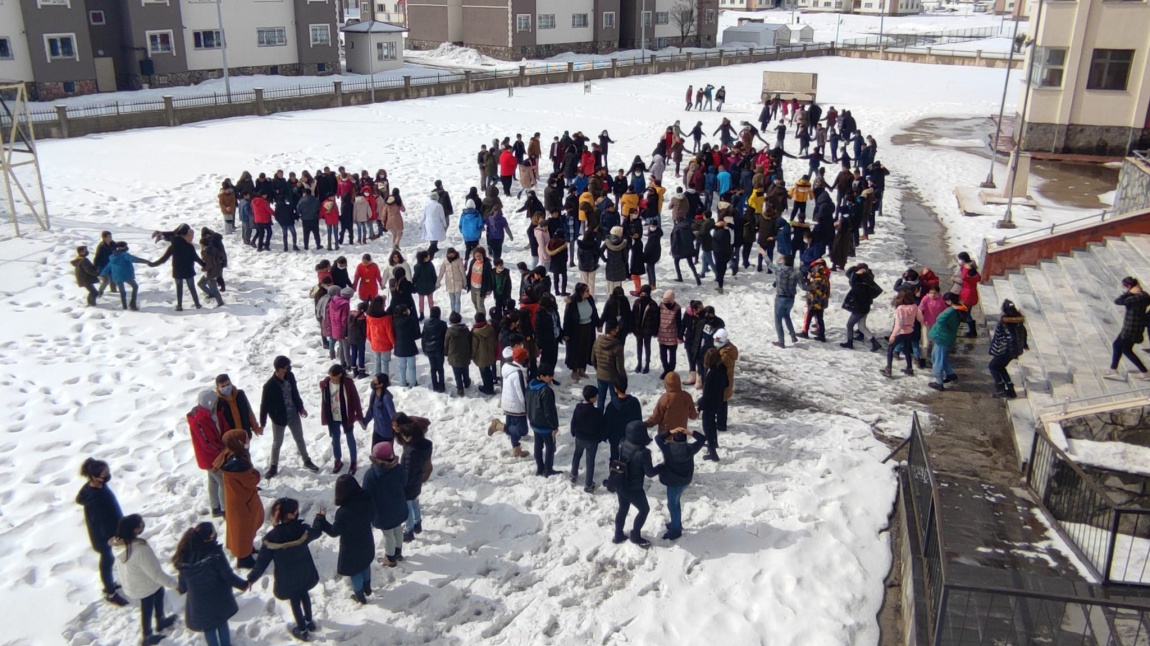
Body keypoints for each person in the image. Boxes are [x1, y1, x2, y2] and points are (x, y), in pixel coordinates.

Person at [247, 498, 323, 642]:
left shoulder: (272, 538)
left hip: (287, 578)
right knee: (304, 594)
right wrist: (319, 519)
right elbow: (316, 532)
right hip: (304, 571)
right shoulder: (302, 530)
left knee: (295, 600)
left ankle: (302, 629)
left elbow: (261, 563)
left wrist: (251, 578)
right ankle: (309, 621)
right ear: (290, 515)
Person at [173, 522, 248, 646]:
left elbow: (183, 583)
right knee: (221, 623)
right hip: (217, 599)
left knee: (208, 628)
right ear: (209, 538)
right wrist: (244, 585)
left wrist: (181, 588)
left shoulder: (185, 555)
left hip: (198, 603)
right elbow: (228, 576)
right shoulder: (215, 555)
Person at [112, 514, 178, 645]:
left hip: (133, 583)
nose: (143, 526)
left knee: (159, 593)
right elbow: (156, 574)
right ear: (135, 530)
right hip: (145, 586)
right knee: (147, 607)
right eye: (141, 524)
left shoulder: (119, 545)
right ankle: (147, 635)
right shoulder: (140, 550)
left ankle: (160, 620)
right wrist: (176, 585)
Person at [314, 475, 376, 604]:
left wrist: (321, 520)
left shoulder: (343, 512)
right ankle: (367, 587)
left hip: (351, 548)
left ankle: (360, 596)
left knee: (355, 572)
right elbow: (372, 515)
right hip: (366, 541)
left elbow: (334, 532)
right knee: (365, 564)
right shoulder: (367, 499)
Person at [76, 458, 129, 606]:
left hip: (112, 531)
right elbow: (99, 522)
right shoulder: (93, 498)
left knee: (110, 559)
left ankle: (110, 584)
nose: (107, 476)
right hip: (104, 537)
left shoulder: (98, 486)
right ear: (94, 476)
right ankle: (110, 592)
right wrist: (110, 537)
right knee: (107, 561)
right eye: (104, 474)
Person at [259, 356, 318, 478]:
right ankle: (273, 466)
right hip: (279, 418)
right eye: (286, 367)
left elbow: (295, 392)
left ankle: (306, 460)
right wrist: (262, 424)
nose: (289, 369)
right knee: (277, 443)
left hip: (293, 414)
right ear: (279, 369)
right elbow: (264, 406)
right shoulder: (269, 386)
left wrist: (300, 407)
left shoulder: (290, 377)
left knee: (299, 438)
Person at [215, 429, 263, 570]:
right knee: (243, 529)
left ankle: (247, 549)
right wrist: (257, 474)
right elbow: (251, 480)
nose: (248, 441)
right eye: (245, 439)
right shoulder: (238, 463)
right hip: (243, 502)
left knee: (244, 529)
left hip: (237, 499)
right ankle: (244, 559)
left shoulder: (228, 454)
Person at [362, 441, 409, 567]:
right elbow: (404, 481)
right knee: (398, 529)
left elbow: (366, 494)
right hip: (398, 507)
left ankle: (390, 557)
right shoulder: (398, 469)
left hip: (382, 512)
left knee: (388, 534)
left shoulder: (371, 475)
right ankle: (398, 552)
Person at [612, 421, 658, 548]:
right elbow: (650, 473)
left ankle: (618, 534)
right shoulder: (643, 452)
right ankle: (635, 535)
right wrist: (662, 466)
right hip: (633, 487)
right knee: (644, 510)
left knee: (623, 508)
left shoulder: (622, 442)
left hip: (620, 481)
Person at [655, 427, 707, 540]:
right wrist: (690, 432)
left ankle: (676, 531)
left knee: (673, 505)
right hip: (685, 480)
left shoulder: (667, 448)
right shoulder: (690, 448)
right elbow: (703, 439)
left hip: (673, 482)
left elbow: (658, 438)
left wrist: (669, 431)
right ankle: (676, 524)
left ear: (673, 438)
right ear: (685, 439)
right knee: (675, 503)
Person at [188, 390, 227, 517]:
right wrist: (222, 451)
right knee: (223, 482)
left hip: (212, 457)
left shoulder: (209, 414)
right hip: (211, 458)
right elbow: (207, 443)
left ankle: (215, 507)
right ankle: (225, 509)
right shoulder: (200, 420)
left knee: (213, 481)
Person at [320, 364, 364, 475]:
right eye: (330, 376)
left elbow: (355, 400)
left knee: (350, 438)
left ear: (339, 375)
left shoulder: (348, 384)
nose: (332, 378)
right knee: (335, 439)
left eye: (333, 376)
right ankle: (337, 460)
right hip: (333, 416)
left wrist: (358, 415)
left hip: (346, 416)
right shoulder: (326, 384)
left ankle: (353, 461)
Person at [395, 415, 433, 542]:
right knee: (415, 502)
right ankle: (418, 524)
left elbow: (407, 472)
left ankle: (409, 530)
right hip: (417, 481)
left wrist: (401, 485)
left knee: (407, 507)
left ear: (409, 437)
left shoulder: (410, 452)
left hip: (408, 484)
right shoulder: (424, 445)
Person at [149, 224, 204, 311]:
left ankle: (179, 306)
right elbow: (196, 258)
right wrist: (205, 266)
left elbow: (163, 259)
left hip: (177, 271)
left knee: (179, 289)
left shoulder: (173, 246)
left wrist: (153, 264)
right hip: (189, 270)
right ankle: (197, 304)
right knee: (192, 288)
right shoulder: (189, 246)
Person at [1108, 276, 1150, 380]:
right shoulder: (1144, 295)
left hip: (1131, 328)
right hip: (1133, 327)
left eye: (1125, 287)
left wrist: (1129, 293)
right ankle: (1113, 369)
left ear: (1129, 286)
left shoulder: (1135, 298)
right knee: (1119, 346)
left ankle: (1144, 371)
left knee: (1124, 349)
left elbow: (1118, 301)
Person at [989, 300, 1029, 398]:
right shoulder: (1019, 321)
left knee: (993, 366)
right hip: (1013, 351)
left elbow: (1011, 337)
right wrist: (1023, 344)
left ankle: (1001, 388)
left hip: (1004, 350)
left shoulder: (1005, 322)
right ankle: (1010, 389)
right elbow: (1024, 333)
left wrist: (1010, 349)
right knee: (1001, 367)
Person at [526, 364, 561, 477]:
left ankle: (539, 468)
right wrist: (554, 426)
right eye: (549, 376)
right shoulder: (546, 391)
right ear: (541, 376)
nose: (551, 378)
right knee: (550, 448)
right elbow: (549, 411)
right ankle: (548, 469)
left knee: (538, 446)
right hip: (545, 425)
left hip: (534, 422)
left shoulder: (531, 384)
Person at [840, 264, 884, 352]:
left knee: (850, 325)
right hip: (865, 308)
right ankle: (875, 343)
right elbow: (850, 275)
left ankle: (850, 342)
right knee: (862, 326)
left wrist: (856, 273)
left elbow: (852, 280)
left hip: (859, 309)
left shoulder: (859, 285)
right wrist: (857, 269)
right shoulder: (868, 281)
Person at [497, 346, 531, 458]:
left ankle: (516, 449)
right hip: (516, 407)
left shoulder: (507, 368)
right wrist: (527, 407)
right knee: (522, 430)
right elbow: (522, 393)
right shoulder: (518, 373)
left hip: (508, 404)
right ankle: (498, 426)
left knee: (513, 429)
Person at [569, 385, 604, 493]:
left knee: (577, 455)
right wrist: (600, 438)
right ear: (592, 398)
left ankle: (573, 475)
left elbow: (573, 421)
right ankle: (588, 484)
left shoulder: (578, 408)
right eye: (596, 396)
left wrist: (573, 432)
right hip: (592, 440)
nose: (597, 398)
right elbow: (600, 427)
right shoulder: (597, 412)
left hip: (579, 437)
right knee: (590, 461)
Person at [882, 290, 924, 378]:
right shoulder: (914, 306)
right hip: (910, 331)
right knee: (907, 350)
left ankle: (888, 369)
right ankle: (909, 368)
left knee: (890, 349)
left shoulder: (900, 308)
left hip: (901, 332)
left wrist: (893, 335)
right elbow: (920, 318)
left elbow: (899, 323)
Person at [928, 294, 964, 391]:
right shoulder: (960, 309)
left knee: (937, 359)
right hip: (947, 337)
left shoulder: (951, 311)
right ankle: (950, 373)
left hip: (942, 337)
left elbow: (939, 320)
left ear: (949, 301)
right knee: (942, 357)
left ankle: (939, 382)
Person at [699, 348, 728, 461]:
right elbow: (726, 383)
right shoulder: (722, 368)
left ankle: (712, 451)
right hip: (718, 401)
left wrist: (699, 404)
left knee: (708, 427)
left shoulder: (711, 375)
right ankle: (714, 443)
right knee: (713, 424)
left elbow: (706, 396)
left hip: (709, 404)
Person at [592, 321, 627, 411]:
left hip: (600, 375)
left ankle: (599, 416)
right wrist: (622, 378)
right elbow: (620, 366)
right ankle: (615, 416)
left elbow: (593, 359)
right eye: (616, 328)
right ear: (612, 331)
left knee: (601, 398)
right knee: (614, 398)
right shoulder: (617, 346)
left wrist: (599, 370)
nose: (617, 330)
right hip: (613, 377)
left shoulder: (597, 342)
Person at [772, 254, 801, 348]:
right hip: (791, 299)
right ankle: (793, 335)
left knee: (778, 320)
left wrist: (764, 253)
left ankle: (781, 341)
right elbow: (804, 286)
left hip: (780, 298)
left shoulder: (779, 270)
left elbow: (769, 263)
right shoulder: (797, 273)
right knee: (787, 316)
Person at [391, 304, 421, 388]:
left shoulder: (394, 321)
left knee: (401, 367)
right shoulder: (411, 320)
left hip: (399, 346)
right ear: (404, 311)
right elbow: (416, 334)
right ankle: (413, 382)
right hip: (410, 345)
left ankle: (402, 382)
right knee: (412, 367)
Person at [445, 311, 474, 395]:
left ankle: (460, 388)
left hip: (454, 357)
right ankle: (467, 382)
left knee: (457, 374)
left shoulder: (449, 331)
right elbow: (470, 340)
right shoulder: (465, 330)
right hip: (465, 355)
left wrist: (446, 352)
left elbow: (446, 344)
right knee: (465, 370)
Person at [714, 329, 738, 432]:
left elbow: (718, 366)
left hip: (722, 383)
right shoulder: (730, 349)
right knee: (722, 403)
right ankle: (721, 422)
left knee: (721, 404)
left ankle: (721, 424)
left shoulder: (725, 355)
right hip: (726, 382)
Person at [421, 306, 447, 393]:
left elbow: (423, 337)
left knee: (433, 368)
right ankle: (441, 385)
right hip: (440, 348)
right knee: (440, 368)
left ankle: (435, 385)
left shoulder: (426, 324)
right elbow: (446, 337)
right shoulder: (443, 324)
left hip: (429, 349)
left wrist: (424, 347)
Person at [471, 311, 498, 395]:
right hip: (490, 353)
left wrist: (472, 355)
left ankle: (487, 388)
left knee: (484, 372)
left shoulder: (475, 332)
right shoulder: (490, 328)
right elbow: (494, 340)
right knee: (488, 371)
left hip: (481, 356)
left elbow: (474, 346)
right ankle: (490, 386)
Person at [421, 191, 448, 256]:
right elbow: (442, 216)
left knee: (432, 237)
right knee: (435, 239)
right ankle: (429, 253)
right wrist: (445, 224)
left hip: (428, 223)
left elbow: (423, 216)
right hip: (436, 224)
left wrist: (420, 224)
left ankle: (435, 248)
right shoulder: (439, 205)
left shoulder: (426, 205)